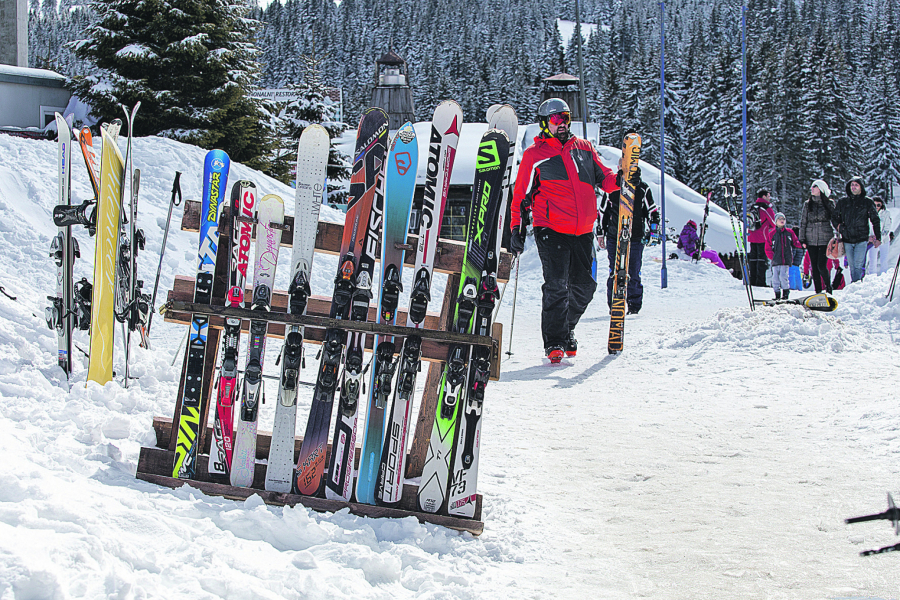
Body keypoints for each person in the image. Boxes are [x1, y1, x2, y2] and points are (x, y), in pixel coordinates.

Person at [508, 98, 622, 361]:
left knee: (585, 287)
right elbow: (520, 196)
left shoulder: (584, 148)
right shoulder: (535, 155)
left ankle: (566, 327)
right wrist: (516, 227)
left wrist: (622, 179)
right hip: (551, 228)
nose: (562, 124)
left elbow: (605, 179)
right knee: (557, 285)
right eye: (556, 119)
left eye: (566, 118)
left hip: (582, 231)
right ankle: (555, 342)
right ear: (545, 124)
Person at [597, 163, 660, 315]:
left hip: (635, 236)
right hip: (614, 235)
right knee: (615, 270)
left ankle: (634, 306)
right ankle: (615, 305)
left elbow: (652, 211)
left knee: (633, 271)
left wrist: (653, 231)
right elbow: (602, 212)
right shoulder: (612, 188)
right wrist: (600, 234)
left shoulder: (642, 188)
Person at [831, 176, 880, 283]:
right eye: (852, 185)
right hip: (847, 238)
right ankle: (856, 284)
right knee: (852, 266)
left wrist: (878, 237)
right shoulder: (843, 202)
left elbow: (875, 220)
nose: (853, 187)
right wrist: (840, 228)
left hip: (861, 238)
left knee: (858, 265)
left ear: (861, 187)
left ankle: (856, 285)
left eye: (856, 185)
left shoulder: (867, 202)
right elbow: (834, 217)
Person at [798, 179, 836, 294]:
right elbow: (803, 222)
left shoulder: (829, 203)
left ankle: (828, 288)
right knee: (814, 266)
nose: (812, 189)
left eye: (814, 186)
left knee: (821, 265)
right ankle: (818, 291)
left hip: (825, 238)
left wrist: (837, 236)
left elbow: (835, 219)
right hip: (811, 238)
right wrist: (802, 239)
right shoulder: (807, 204)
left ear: (821, 188)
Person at [765, 212, 803, 299]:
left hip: (786, 259)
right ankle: (777, 294)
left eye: (783, 219)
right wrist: (772, 257)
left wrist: (802, 244)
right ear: (776, 221)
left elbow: (795, 242)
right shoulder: (772, 234)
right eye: (780, 219)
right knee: (775, 278)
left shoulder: (789, 232)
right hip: (776, 260)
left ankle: (785, 294)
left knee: (784, 277)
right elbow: (768, 247)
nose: (782, 221)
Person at [748, 188, 776, 287]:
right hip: (762, 237)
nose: (769, 198)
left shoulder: (753, 207)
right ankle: (760, 282)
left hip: (752, 236)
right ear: (764, 196)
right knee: (761, 260)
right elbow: (773, 223)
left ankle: (752, 280)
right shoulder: (766, 208)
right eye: (768, 196)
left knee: (753, 259)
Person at [867, 196, 893, 275]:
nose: (876, 207)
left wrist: (880, 238)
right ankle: (872, 275)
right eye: (874, 205)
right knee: (872, 259)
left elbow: (887, 227)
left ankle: (883, 275)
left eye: (878, 205)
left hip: (884, 240)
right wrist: (870, 237)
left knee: (884, 259)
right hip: (873, 240)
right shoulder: (868, 213)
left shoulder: (886, 213)